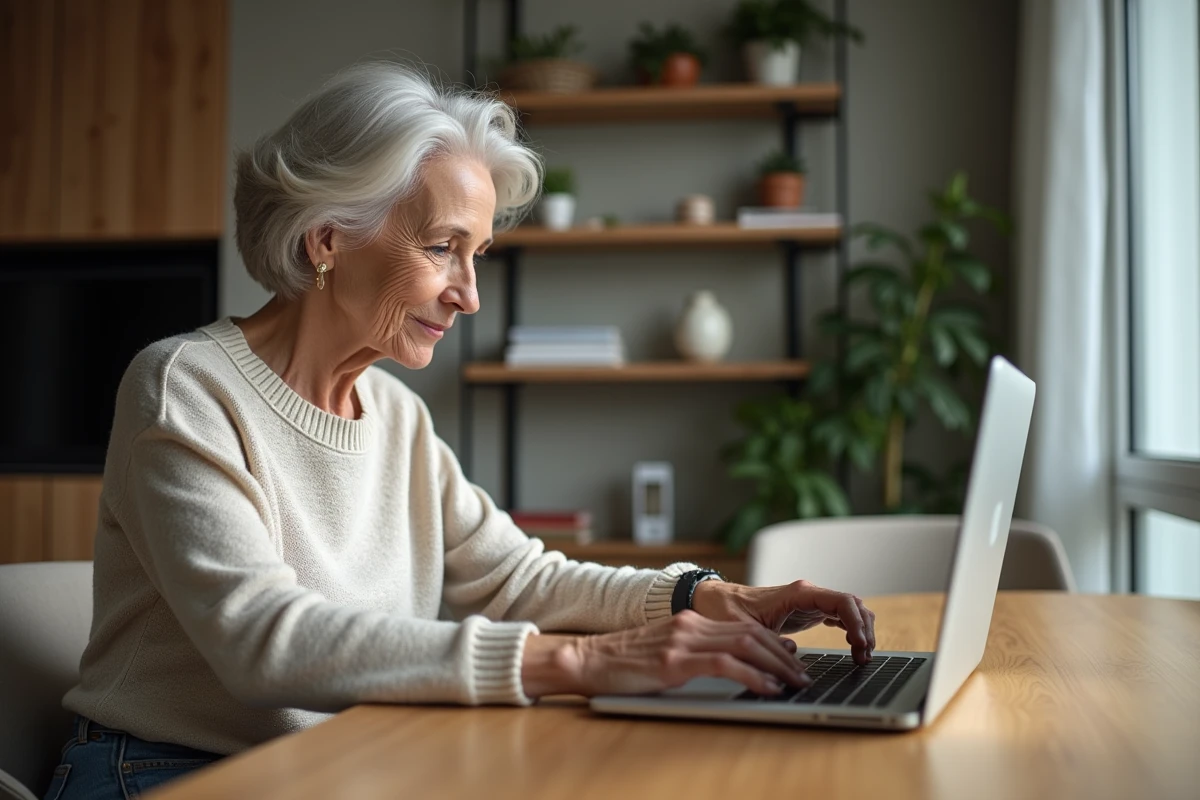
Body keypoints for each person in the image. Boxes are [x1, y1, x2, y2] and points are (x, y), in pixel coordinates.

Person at [44, 63, 875, 800]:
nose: (468, 295)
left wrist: (703, 595)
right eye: (443, 248)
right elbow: (264, 640)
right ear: (327, 238)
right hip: (161, 772)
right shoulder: (186, 386)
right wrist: (581, 662)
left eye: (476, 254)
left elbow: (520, 580)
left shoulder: (396, 416)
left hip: (333, 763)